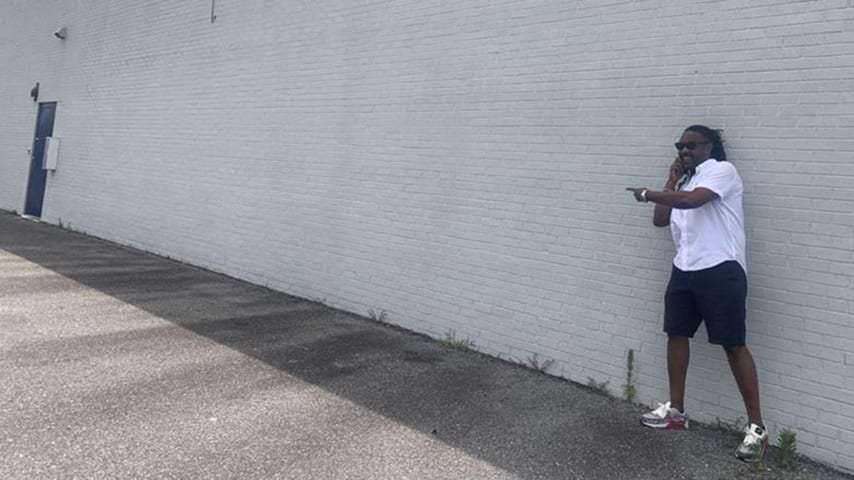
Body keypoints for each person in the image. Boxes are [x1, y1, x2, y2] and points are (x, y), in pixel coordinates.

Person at [626, 125, 768, 463]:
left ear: (711, 146)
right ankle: (676, 411)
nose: (685, 150)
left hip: (720, 269)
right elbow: (661, 221)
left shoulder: (722, 171)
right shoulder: (684, 183)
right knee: (676, 334)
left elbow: (693, 202)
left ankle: (757, 429)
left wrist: (648, 194)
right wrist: (669, 182)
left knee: (733, 344)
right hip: (684, 268)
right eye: (680, 146)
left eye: (692, 145)